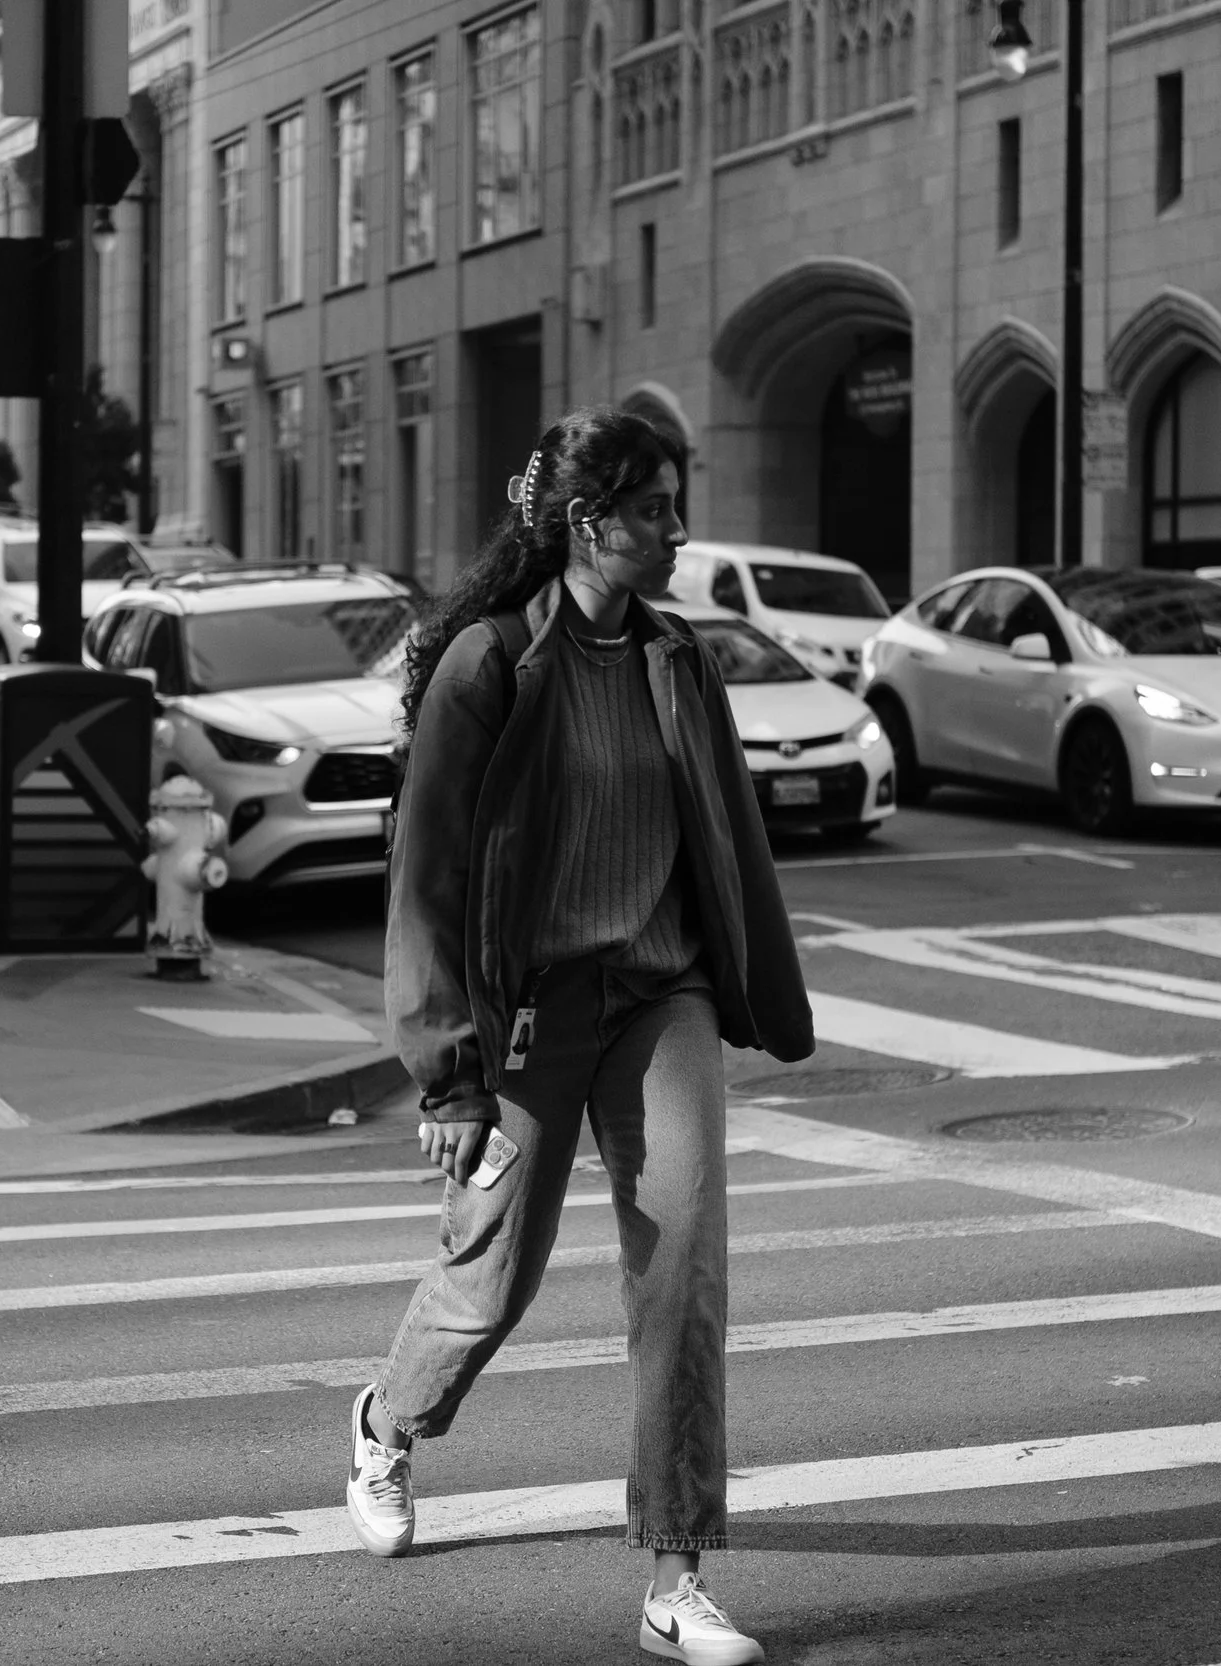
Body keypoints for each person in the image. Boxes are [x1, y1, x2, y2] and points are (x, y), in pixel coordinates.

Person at [353, 407, 814, 1665]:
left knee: (685, 1276)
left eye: (676, 502)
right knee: (492, 1275)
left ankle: (676, 1571)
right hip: (535, 1015)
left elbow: (730, 838)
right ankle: (388, 1425)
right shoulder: (492, 665)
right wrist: (448, 1074)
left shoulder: (679, 658)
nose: (676, 528)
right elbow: (429, 880)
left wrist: (753, 984)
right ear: (586, 523)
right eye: (655, 507)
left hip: (662, 1000)